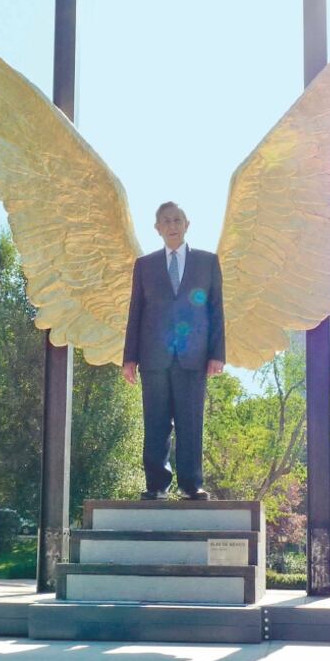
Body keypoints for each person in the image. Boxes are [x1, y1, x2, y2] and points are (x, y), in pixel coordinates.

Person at [123, 201, 225, 501]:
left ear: (187, 224)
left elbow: (216, 310)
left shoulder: (207, 263)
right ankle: (157, 485)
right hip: (153, 356)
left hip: (194, 357)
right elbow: (135, 312)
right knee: (155, 421)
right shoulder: (145, 265)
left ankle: (191, 485)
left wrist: (217, 353)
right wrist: (129, 358)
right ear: (157, 228)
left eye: (177, 219)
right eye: (166, 221)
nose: (172, 225)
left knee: (190, 421)